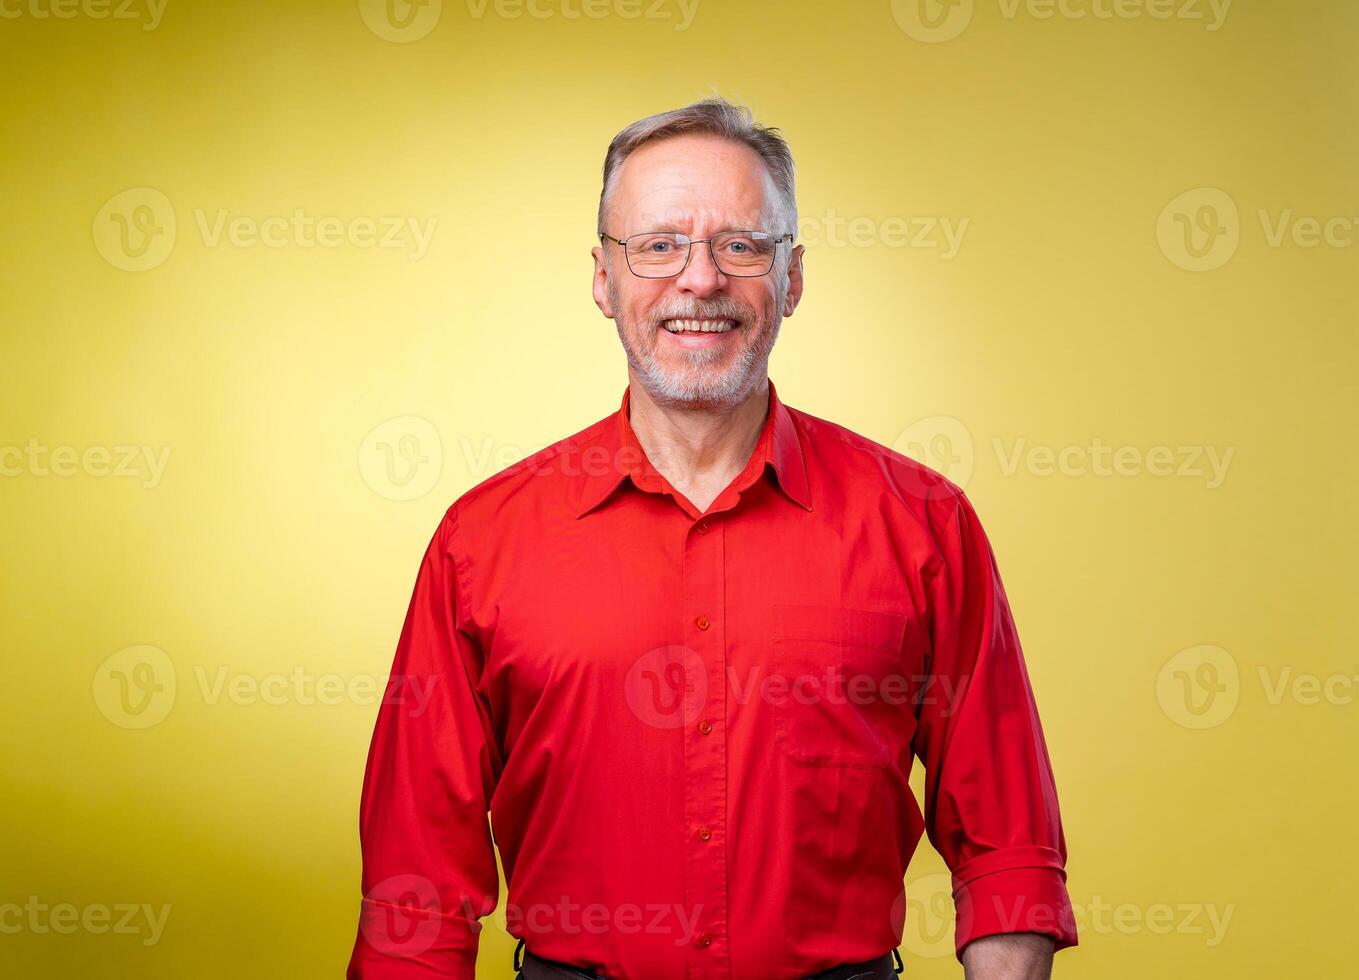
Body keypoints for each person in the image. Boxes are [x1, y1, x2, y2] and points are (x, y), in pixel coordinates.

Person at [346, 97, 1077, 980]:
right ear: (602, 278)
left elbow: (1007, 854)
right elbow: (414, 889)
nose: (699, 279)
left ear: (793, 278)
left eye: (741, 244)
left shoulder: (923, 524)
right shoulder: (481, 541)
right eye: (657, 245)